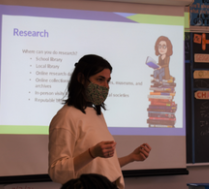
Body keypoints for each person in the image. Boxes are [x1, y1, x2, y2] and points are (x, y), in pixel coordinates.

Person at [48, 54, 151, 189]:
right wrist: (91, 153)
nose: (106, 86)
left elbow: (99, 168)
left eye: (108, 81)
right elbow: (57, 172)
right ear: (81, 79)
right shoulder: (66, 116)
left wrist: (131, 157)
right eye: (100, 79)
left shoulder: (95, 113)